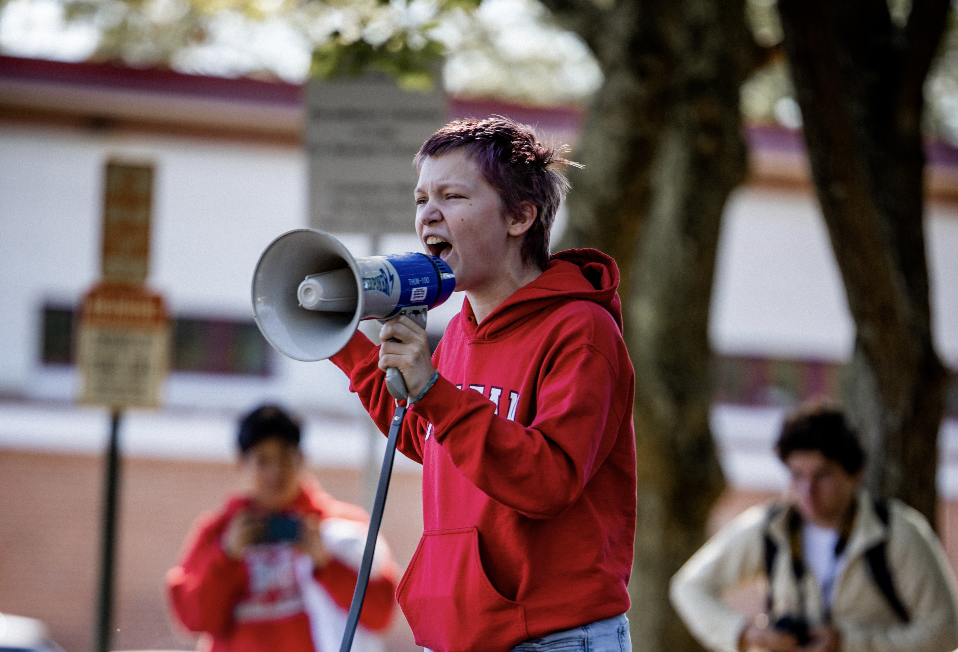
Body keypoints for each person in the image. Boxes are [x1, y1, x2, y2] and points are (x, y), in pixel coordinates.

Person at [329, 116, 637, 652]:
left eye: (452, 195)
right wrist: (342, 341)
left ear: (520, 216)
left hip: (551, 636)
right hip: (460, 633)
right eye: (422, 197)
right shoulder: (459, 336)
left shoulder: (580, 331)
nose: (429, 213)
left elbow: (549, 479)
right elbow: (430, 437)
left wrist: (434, 392)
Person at [670, 401, 958, 652]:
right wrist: (747, 634)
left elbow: (947, 630)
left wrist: (849, 644)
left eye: (822, 475)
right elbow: (689, 587)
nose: (807, 490)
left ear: (855, 475)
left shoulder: (896, 533)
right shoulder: (770, 528)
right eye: (797, 475)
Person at [166, 404, 398, 652]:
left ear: (301, 458)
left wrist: (326, 566)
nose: (275, 471)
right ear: (241, 463)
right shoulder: (218, 532)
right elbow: (193, 620)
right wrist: (227, 556)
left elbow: (380, 614)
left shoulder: (341, 527)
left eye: (285, 457)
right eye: (262, 460)